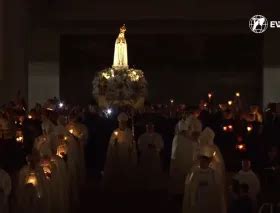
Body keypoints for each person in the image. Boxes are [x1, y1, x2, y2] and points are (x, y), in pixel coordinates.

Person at [182, 145, 226, 213]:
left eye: (204, 162)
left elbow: (218, 188)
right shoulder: (195, 173)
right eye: (201, 161)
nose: (202, 163)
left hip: (209, 199)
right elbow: (190, 187)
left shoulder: (213, 173)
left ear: (208, 163)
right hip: (198, 200)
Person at [103, 112, 137, 192]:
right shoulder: (115, 132)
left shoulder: (129, 133)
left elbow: (132, 146)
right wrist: (114, 142)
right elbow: (111, 146)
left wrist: (132, 156)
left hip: (126, 157)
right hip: (116, 156)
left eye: (123, 122)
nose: (122, 124)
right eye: (120, 122)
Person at [169, 120, 196, 197]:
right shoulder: (178, 138)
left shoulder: (188, 139)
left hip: (187, 163)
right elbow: (175, 154)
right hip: (179, 164)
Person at [137, 122, 164, 190]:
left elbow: (161, 145)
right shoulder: (142, 137)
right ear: (146, 128)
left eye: (151, 127)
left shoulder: (158, 136)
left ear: (153, 128)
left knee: (154, 173)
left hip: (155, 157)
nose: (149, 128)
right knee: (145, 173)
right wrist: (146, 147)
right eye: (148, 127)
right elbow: (139, 147)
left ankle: (155, 187)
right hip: (145, 157)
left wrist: (155, 147)